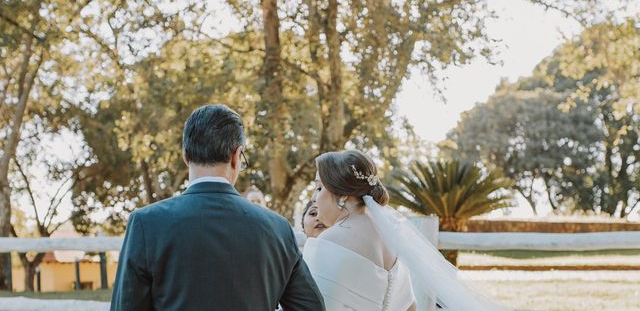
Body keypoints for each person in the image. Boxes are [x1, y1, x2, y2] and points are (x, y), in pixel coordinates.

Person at [110, 104, 325, 311]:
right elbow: (311, 307)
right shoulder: (278, 228)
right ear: (236, 156)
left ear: (186, 156)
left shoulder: (146, 223)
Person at [303, 150, 509, 311]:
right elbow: (410, 307)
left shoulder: (329, 241)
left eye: (319, 188)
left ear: (343, 195)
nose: (314, 197)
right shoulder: (389, 237)